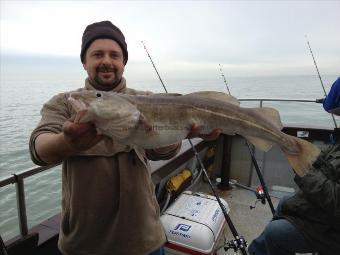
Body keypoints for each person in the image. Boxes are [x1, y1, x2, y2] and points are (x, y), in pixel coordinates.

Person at [29, 21, 220, 255]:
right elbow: (40, 148)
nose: (106, 61)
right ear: (84, 61)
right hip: (84, 244)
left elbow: (164, 152)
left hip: (144, 239)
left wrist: (180, 130)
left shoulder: (149, 100)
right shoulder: (66, 102)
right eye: (97, 54)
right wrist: (67, 143)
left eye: (114, 55)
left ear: (123, 62)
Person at [248, 77, 340, 255]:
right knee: (285, 203)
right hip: (326, 217)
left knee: (275, 234)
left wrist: (304, 171)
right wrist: (303, 156)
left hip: (333, 230)